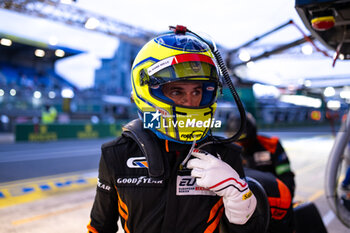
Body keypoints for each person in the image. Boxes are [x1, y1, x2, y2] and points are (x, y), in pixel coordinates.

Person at [87, 26, 265, 233]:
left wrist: (240, 199)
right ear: (146, 91)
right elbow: (100, 228)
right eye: (176, 90)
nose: (189, 101)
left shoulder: (226, 155)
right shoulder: (116, 154)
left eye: (197, 91)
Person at [230, 112, 295, 233]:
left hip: (273, 199)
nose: (241, 146)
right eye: (237, 141)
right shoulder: (228, 150)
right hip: (243, 205)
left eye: (245, 141)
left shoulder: (272, 145)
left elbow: (287, 177)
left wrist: (286, 205)